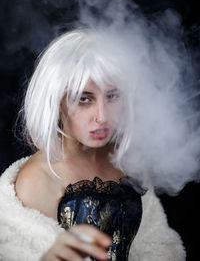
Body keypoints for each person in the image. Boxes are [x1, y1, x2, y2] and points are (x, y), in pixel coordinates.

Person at [0, 28, 186, 260]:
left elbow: (156, 247)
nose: (102, 116)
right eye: (84, 99)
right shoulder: (38, 180)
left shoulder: (125, 160)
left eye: (112, 96)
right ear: (57, 101)